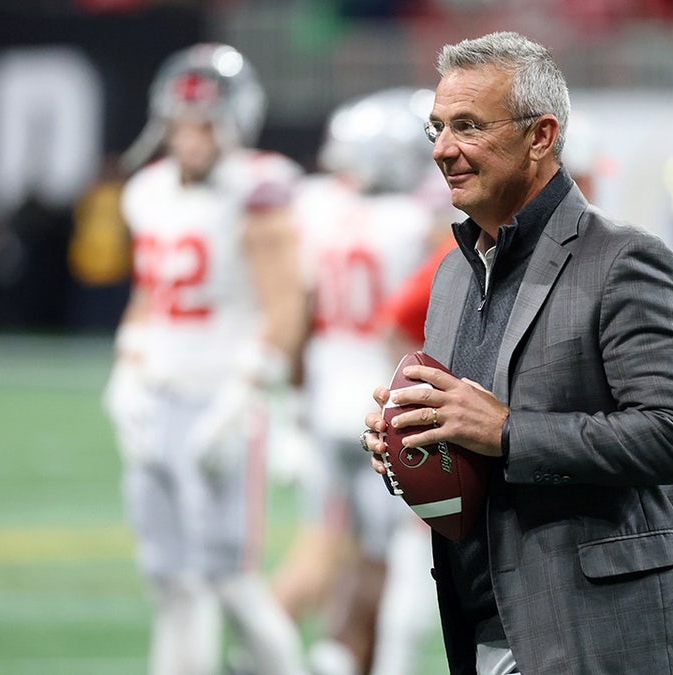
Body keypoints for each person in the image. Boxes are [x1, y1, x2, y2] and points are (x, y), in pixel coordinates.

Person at [360, 31, 673, 674]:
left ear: (541, 135)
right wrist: (412, 443)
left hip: (605, 636)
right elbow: (473, 451)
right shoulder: (452, 275)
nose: (444, 149)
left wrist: (506, 432)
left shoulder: (624, 260)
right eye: (437, 128)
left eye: (468, 126)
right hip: (487, 628)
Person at [102, 43, 308, 675]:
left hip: (223, 398)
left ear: (234, 122)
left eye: (205, 125)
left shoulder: (259, 190)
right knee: (167, 580)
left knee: (227, 578)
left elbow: (285, 307)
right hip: (158, 392)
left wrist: (246, 396)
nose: (190, 139)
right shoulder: (148, 190)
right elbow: (148, 295)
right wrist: (125, 372)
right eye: (182, 124)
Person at [273, 86, 444, 675]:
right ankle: (369, 661)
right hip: (381, 400)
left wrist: (291, 405)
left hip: (322, 399)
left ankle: (327, 652)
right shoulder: (416, 222)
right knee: (398, 547)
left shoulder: (315, 207)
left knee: (331, 540)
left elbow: (298, 314)